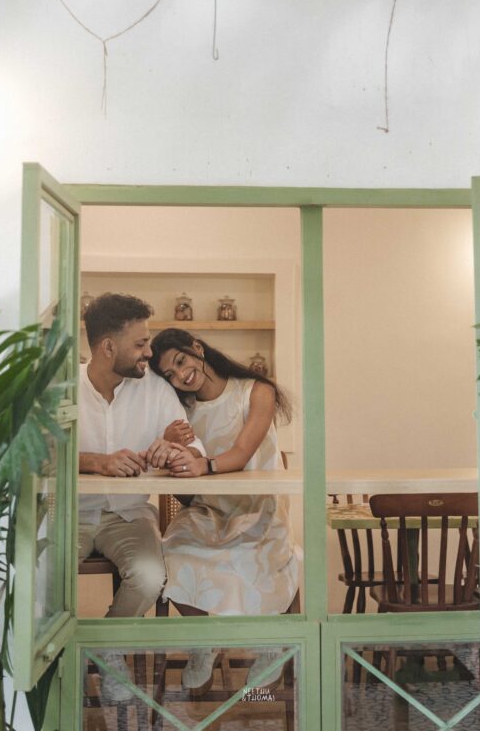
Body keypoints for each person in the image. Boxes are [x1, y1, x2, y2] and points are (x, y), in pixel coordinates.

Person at [149, 327, 299, 693]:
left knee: (253, 561)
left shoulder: (256, 391)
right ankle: (206, 639)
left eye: (181, 361)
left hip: (260, 510)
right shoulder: (181, 413)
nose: (181, 375)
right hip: (209, 512)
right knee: (167, 555)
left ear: (197, 348)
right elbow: (183, 485)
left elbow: (243, 453)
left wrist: (203, 465)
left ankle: (269, 643)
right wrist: (170, 449)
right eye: (170, 374)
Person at [78, 294, 205, 701]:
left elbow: (193, 448)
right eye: (140, 343)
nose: (149, 352)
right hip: (68, 514)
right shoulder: (61, 389)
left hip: (130, 514)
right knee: (40, 575)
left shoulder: (155, 389)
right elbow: (38, 452)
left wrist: (177, 451)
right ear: (107, 347)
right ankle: (55, 665)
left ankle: (105, 648)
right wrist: (97, 462)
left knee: (151, 576)